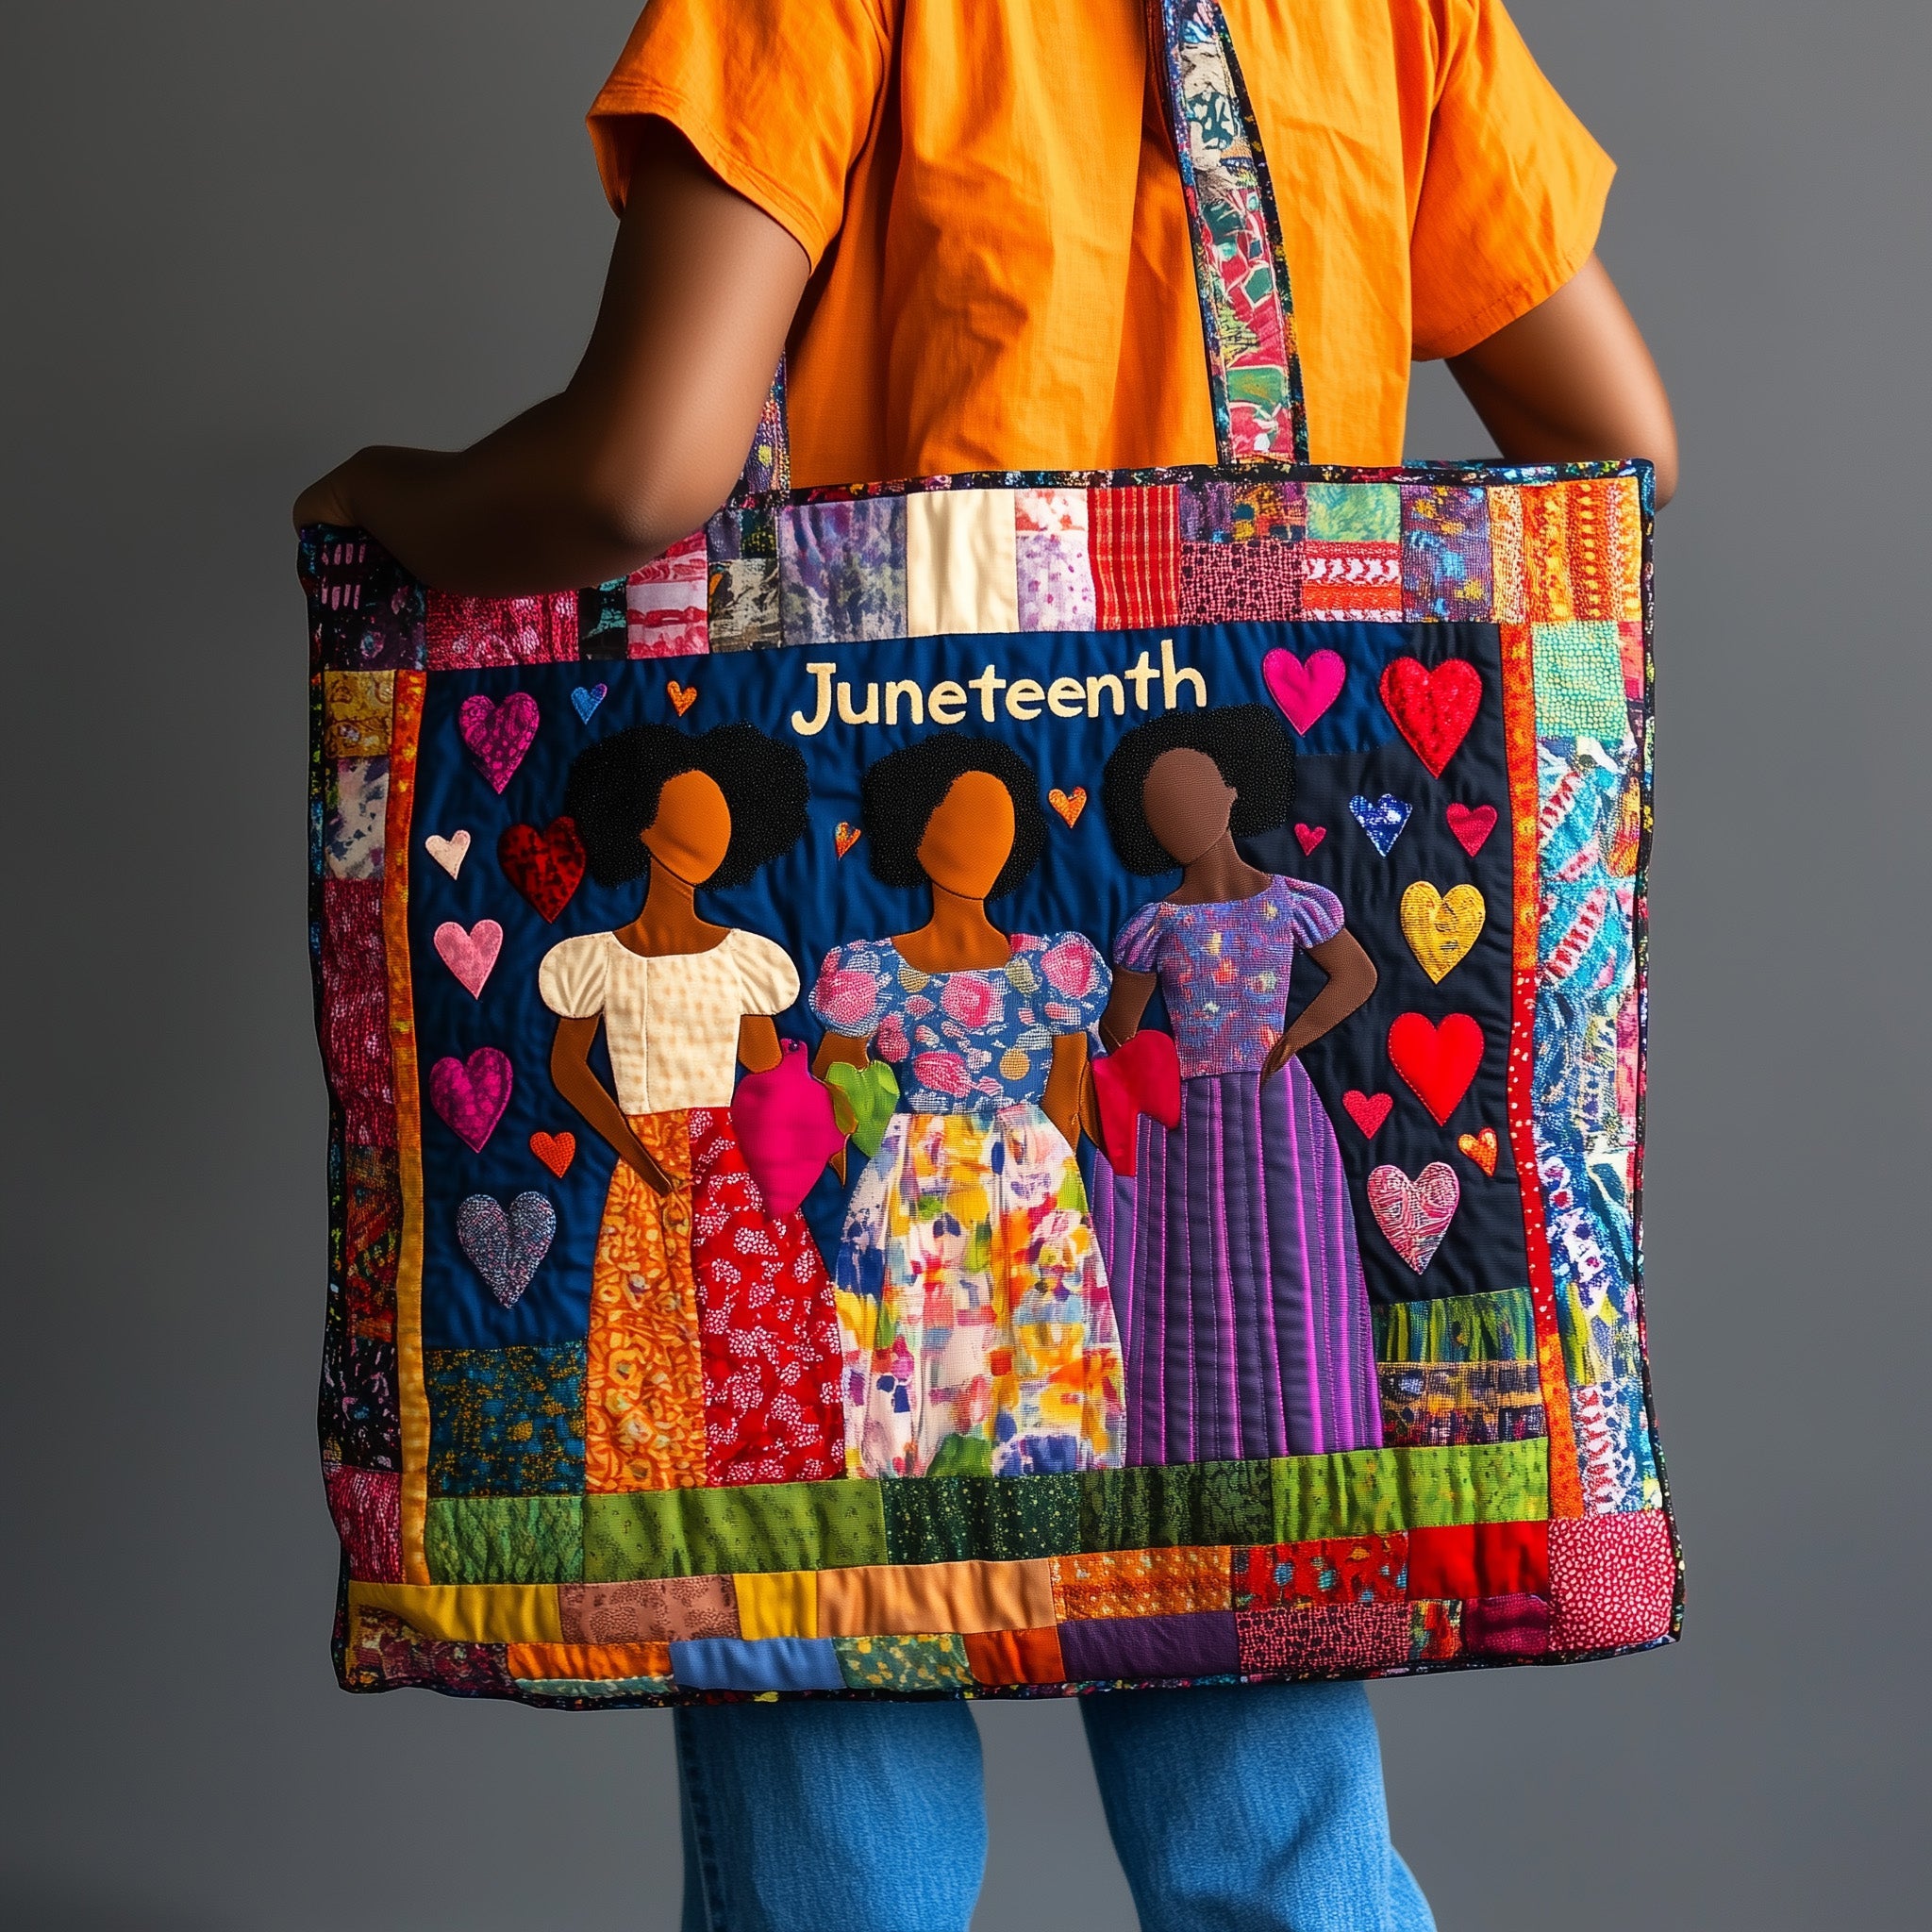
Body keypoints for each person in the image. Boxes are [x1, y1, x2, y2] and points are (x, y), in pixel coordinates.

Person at [296, 5, 1677, 1927]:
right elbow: (1618, 455)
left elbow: (640, 476)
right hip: (1043, 1175)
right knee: (1265, 1779)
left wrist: (392, 500)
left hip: (938, 1162)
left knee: (823, 1694)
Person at [541, 721, 845, 1491]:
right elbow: (568, 1069)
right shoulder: (597, 960)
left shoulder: (744, 959)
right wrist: (635, 1152)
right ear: (640, 824)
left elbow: (767, 1070)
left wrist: (828, 1111)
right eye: (689, 812)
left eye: (720, 816)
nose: (710, 831)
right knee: (647, 1341)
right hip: (649, 1166)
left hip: (736, 1165)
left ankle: (770, 1487)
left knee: (759, 1332)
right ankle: (653, 1493)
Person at [808, 734, 1122, 1480]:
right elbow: (832, 1090)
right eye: (958, 820)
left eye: (1000, 821)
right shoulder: (871, 972)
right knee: (919, 1345)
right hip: (917, 1186)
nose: (984, 839)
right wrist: (857, 1155)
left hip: (1032, 1184)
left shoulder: (1052, 969)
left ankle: (1041, 1491)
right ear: (915, 832)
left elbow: (1067, 1096)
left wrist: (1061, 1199)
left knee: (1037, 1340)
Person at [1093, 705, 1383, 1467]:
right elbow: (1118, 1027)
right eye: (1160, 807)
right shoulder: (1156, 923)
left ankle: (1313, 1438)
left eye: (1191, 792)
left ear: (1232, 790)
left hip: (1274, 1103)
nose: (1179, 816)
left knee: (1293, 1258)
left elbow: (1356, 975)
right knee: (1189, 1271)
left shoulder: (1290, 901)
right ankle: (1186, 1445)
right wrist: (1154, 1075)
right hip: (1188, 1116)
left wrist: (1299, 1035)